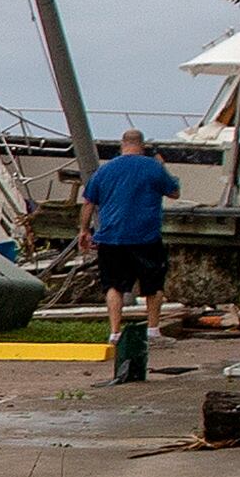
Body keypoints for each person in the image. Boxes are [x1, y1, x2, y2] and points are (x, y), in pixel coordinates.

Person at [83, 131, 178, 383]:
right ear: (142, 146)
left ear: (122, 145)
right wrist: (162, 166)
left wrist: (84, 230)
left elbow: (88, 202)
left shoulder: (104, 171)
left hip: (111, 237)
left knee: (113, 285)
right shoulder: (153, 167)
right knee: (153, 285)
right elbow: (174, 192)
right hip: (146, 237)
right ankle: (153, 329)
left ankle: (115, 332)